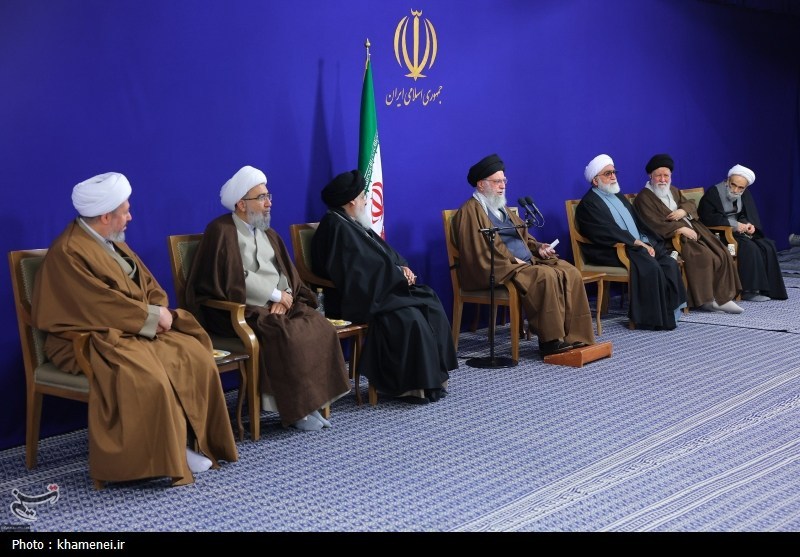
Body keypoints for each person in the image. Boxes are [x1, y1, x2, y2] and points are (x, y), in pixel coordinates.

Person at [31, 172, 238, 487]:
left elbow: (149, 285)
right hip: (84, 339)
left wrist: (157, 311)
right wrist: (151, 317)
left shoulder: (112, 242)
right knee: (148, 376)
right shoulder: (69, 251)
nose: (130, 217)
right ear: (105, 216)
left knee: (192, 352)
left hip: (128, 329)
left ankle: (191, 441)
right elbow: (96, 305)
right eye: (125, 211)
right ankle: (168, 455)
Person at [185, 165, 351, 432]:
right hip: (238, 309)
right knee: (287, 334)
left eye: (268, 196)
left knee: (318, 324)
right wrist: (274, 295)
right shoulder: (221, 231)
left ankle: (313, 402)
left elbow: (284, 270)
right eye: (261, 197)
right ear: (241, 204)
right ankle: (295, 410)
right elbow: (231, 277)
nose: (269, 203)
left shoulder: (266, 231)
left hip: (275, 304)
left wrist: (285, 296)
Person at [310, 169, 457, 404]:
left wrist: (402, 267)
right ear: (351, 201)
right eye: (363, 196)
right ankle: (410, 387)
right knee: (410, 317)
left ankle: (434, 380)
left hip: (380, 288)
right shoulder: (335, 227)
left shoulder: (352, 222)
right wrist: (396, 275)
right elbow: (354, 271)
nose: (366, 200)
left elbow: (384, 253)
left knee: (430, 301)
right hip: (356, 297)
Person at [452, 154, 596, 357]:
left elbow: (523, 237)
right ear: (481, 184)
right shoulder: (469, 212)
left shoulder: (502, 208)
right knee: (544, 276)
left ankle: (575, 335)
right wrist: (512, 261)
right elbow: (476, 251)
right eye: (497, 182)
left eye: (504, 181)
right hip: (499, 268)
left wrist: (538, 248)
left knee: (569, 271)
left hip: (523, 264)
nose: (502, 186)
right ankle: (550, 341)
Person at [576, 154, 687, 330]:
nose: (613, 177)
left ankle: (670, 312)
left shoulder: (618, 196)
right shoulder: (588, 204)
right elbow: (604, 232)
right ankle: (651, 319)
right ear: (595, 180)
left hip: (635, 246)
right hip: (610, 250)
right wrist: (636, 243)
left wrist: (647, 241)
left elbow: (638, 223)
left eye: (614, 172)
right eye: (608, 173)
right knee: (651, 265)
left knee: (668, 262)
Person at [633, 154, 743, 313]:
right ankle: (706, 301)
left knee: (721, 251)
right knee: (704, 256)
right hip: (671, 241)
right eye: (658, 176)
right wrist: (679, 229)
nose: (663, 180)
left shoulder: (673, 190)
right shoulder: (644, 198)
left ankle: (724, 297)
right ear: (650, 175)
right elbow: (652, 223)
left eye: (666, 175)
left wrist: (683, 211)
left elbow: (690, 203)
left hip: (694, 231)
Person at [698, 164, 788, 302]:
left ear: (745, 188)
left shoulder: (743, 194)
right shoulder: (714, 192)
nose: (736, 190)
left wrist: (748, 225)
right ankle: (749, 290)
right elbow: (708, 217)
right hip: (719, 233)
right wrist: (735, 225)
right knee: (749, 248)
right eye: (733, 185)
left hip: (738, 231)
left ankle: (769, 289)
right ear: (728, 181)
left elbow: (743, 215)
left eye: (741, 188)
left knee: (767, 245)